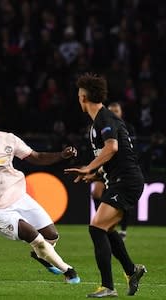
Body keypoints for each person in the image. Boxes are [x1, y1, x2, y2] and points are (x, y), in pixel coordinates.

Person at [0, 106, 80, 284]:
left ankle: (41, 257)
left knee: (51, 236)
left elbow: (36, 157)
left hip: (19, 197)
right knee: (33, 236)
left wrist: (61, 155)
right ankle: (68, 271)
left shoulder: (9, 139)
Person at [65, 73, 146, 297]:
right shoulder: (100, 120)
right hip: (119, 180)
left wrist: (89, 167)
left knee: (96, 228)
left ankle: (108, 287)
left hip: (126, 182)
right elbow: (110, 157)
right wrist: (96, 174)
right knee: (106, 229)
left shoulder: (104, 119)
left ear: (83, 97)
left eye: (78, 94)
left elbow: (112, 148)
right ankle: (132, 271)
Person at [91, 101, 136, 241]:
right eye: (111, 110)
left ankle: (122, 229)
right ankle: (103, 220)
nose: (114, 113)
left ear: (121, 113)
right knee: (96, 193)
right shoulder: (102, 125)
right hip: (105, 166)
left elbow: (124, 150)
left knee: (122, 199)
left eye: (116, 111)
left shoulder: (126, 127)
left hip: (121, 169)